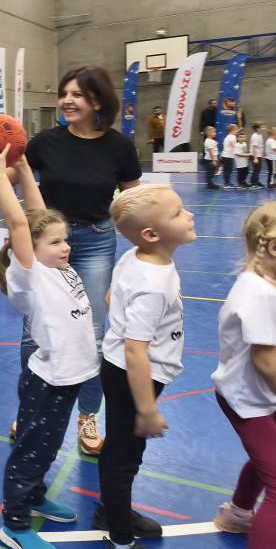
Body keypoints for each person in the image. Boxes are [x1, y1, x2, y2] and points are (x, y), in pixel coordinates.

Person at [0, 67, 142, 457]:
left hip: (95, 242)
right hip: (45, 243)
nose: (67, 100)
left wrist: (144, 245)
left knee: (93, 334)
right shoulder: (46, 142)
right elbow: (3, 178)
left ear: (97, 100)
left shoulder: (119, 147)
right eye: (64, 93)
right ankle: (30, 406)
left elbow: (133, 199)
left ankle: (88, 415)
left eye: (77, 94)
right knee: (33, 333)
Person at [0, 139, 98, 549]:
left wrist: (24, 167)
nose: (66, 246)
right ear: (29, 250)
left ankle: (35, 496)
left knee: (47, 448)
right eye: (55, 242)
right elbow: (20, 224)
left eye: (65, 239)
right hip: (47, 380)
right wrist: (0, 173)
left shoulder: (59, 266)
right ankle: (14, 524)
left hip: (70, 376)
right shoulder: (29, 275)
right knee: (31, 449)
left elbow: (37, 213)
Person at [99, 184, 196, 549]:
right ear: (152, 234)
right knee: (125, 457)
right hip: (135, 375)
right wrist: (147, 410)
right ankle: (121, 536)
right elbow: (135, 351)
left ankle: (112, 510)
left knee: (118, 448)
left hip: (121, 369)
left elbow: (111, 297)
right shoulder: (154, 283)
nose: (189, 215)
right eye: (178, 213)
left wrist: (124, 324)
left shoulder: (136, 257)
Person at [211, 202, 276, 548]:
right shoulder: (259, 294)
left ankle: (237, 514)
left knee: (267, 457)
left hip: (259, 393)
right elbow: (266, 361)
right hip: (249, 400)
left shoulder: (263, 282)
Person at [222, 124, 239, 189]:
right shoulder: (232, 137)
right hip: (228, 156)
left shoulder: (229, 136)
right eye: (236, 129)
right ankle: (226, 183)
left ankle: (227, 182)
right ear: (232, 130)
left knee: (228, 170)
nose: (237, 131)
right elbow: (234, 145)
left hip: (228, 156)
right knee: (227, 170)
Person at [250, 123, 267, 189]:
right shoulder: (255, 136)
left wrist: (261, 155)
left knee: (258, 170)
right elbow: (254, 147)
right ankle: (253, 183)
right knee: (256, 170)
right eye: (261, 127)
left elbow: (260, 146)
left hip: (259, 155)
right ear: (257, 129)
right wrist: (255, 158)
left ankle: (256, 181)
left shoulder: (260, 135)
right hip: (255, 155)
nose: (262, 128)